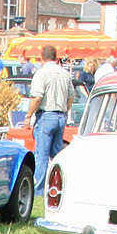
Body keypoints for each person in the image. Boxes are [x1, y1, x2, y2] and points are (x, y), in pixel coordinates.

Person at [26, 44, 73, 194]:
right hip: (61, 115)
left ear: (42, 57)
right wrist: (65, 110)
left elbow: (37, 97)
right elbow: (71, 96)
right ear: (56, 57)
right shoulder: (64, 73)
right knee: (57, 155)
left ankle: (38, 190)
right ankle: (61, 185)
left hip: (46, 115)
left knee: (41, 154)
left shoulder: (42, 73)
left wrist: (28, 115)